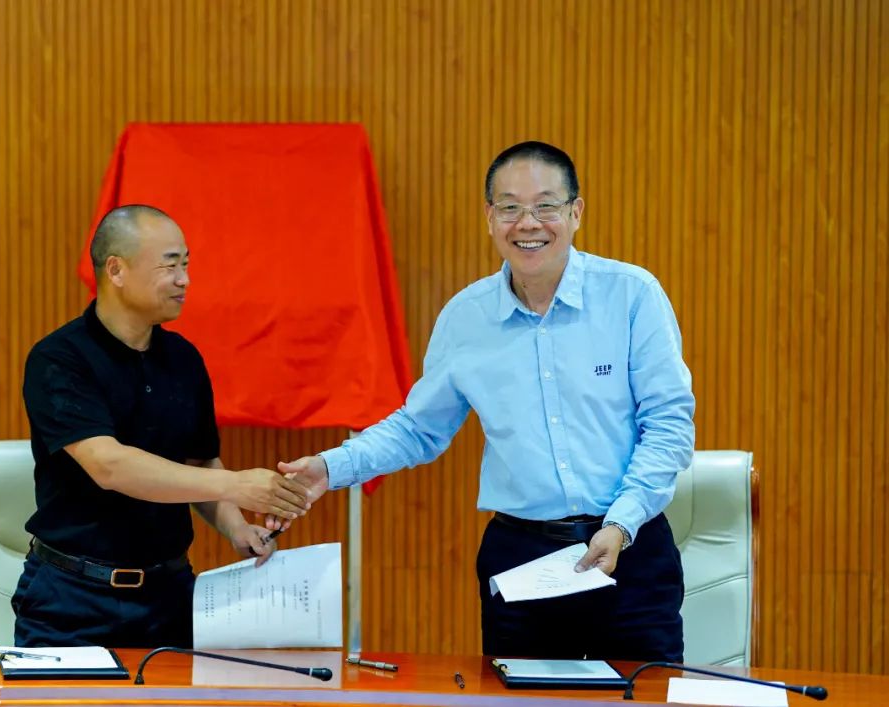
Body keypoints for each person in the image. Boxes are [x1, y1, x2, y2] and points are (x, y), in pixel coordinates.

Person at [276, 141, 695, 661]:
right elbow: (418, 429)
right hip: (522, 560)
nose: (528, 223)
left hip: (631, 550)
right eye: (510, 207)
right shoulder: (466, 317)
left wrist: (621, 522)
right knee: (519, 696)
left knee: (645, 694)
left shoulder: (631, 295)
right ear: (490, 218)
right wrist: (330, 467)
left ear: (576, 213)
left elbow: (669, 424)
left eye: (546, 206)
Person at [12, 204, 310, 648]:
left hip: (169, 596)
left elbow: (200, 461)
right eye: (170, 266)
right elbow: (109, 465)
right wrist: (237, 485)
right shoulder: (60, 358)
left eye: (186, 265)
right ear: (116, 270)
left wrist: (237, 527)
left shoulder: (183, 358)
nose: (184, 280)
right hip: (71, 600)